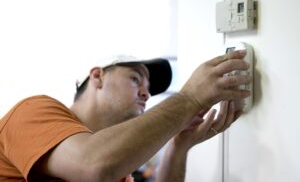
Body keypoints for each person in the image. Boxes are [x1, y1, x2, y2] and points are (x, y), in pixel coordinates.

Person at [0, 51, 251, 182]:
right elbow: (93, 166)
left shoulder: (120, 171)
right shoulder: (34, 111)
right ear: (97, 76)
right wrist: (188, 99)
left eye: (149, 88)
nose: (146, 93)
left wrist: (179, 146)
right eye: (135, 78)